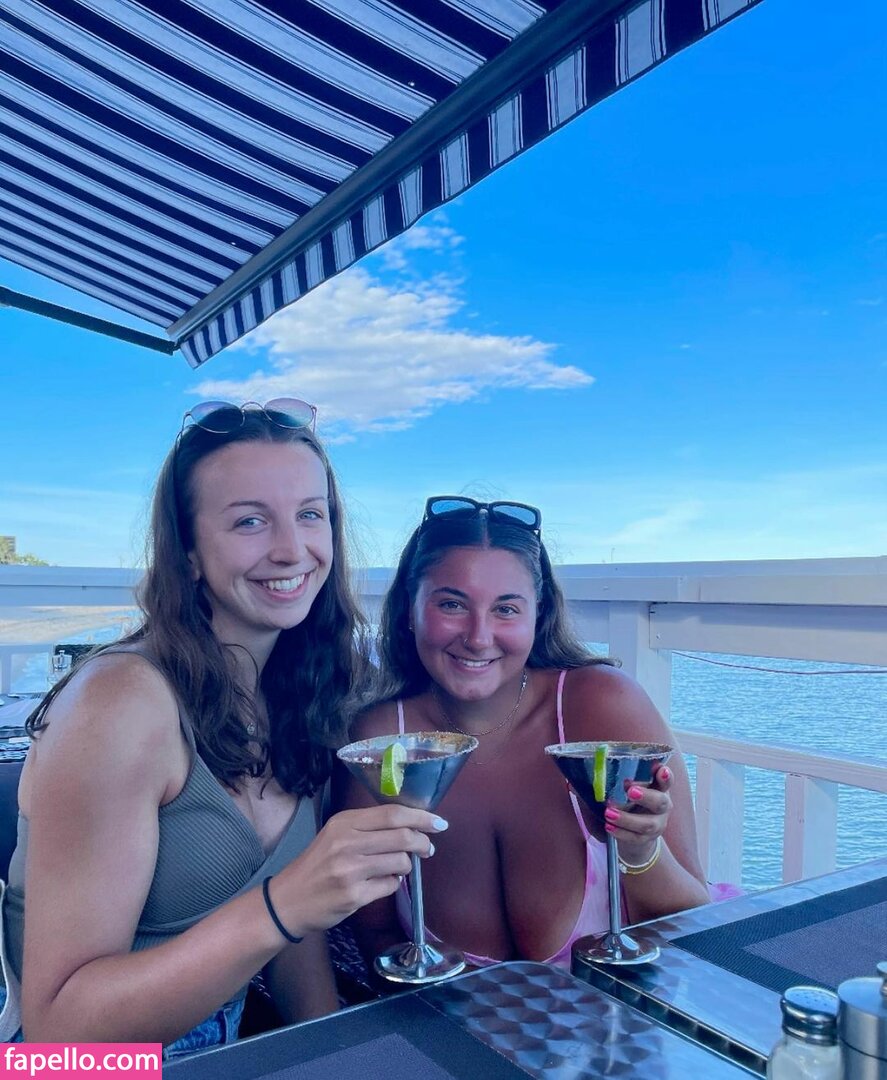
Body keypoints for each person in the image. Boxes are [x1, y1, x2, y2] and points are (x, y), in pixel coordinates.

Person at [0, 401, 446, 1053]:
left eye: (310, 514)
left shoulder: (300, 690)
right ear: (187, 552)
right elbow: (59, 1037)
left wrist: (336, 1055)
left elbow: (294, 942)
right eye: (249, 521)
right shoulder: (119, 702)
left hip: (225, 1044)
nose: (292, 550)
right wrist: (285, 904)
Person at [337, 496, 710, 969]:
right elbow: (376, 933)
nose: (478, 637)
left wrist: (640, 852)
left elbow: (695, 920)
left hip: (621, 1010)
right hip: (448, 1017)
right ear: (409, 609)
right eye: (451, 604)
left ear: (539, 613)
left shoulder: (601, 706)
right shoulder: (383, 740)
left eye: (506, 609)